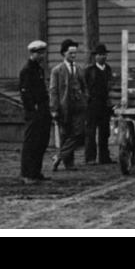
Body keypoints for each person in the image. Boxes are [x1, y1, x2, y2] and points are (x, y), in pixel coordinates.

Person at [49, 38, 88, 171]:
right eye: (71, 53)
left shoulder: (79, 68)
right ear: (63, 53)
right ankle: (68, 163)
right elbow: (53, 91)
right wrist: (54, 109)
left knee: (78, 133)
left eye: (75, 53)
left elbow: (84, 87)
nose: (73, 56)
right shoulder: (57, 70)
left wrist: (84, 99)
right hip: (64, 107)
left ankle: (58, 157)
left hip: (78, 106)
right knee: (65, 135)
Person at [18, 40, 52, 184]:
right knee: (31, 143)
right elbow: (25, 93)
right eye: (40, 53)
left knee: (41, 142)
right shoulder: (27, 70)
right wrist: (33, 109)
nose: (42, 56)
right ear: (33, 53)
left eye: (43, 53)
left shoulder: (38, 69)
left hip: (43, 110)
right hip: (34, 112)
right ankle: (27, 174)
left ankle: (36, 172)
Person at [84, 43, 114, 165]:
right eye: (99, 55)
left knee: (104, 132)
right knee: (90, 132)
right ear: (95, 57)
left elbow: (110, 86)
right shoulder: (89, 70)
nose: (102, 57)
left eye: (104, 55)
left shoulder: (108, 69)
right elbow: (85, 87)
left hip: (105, 105)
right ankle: (90, 158)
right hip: (92, 105)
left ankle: (104, 157)